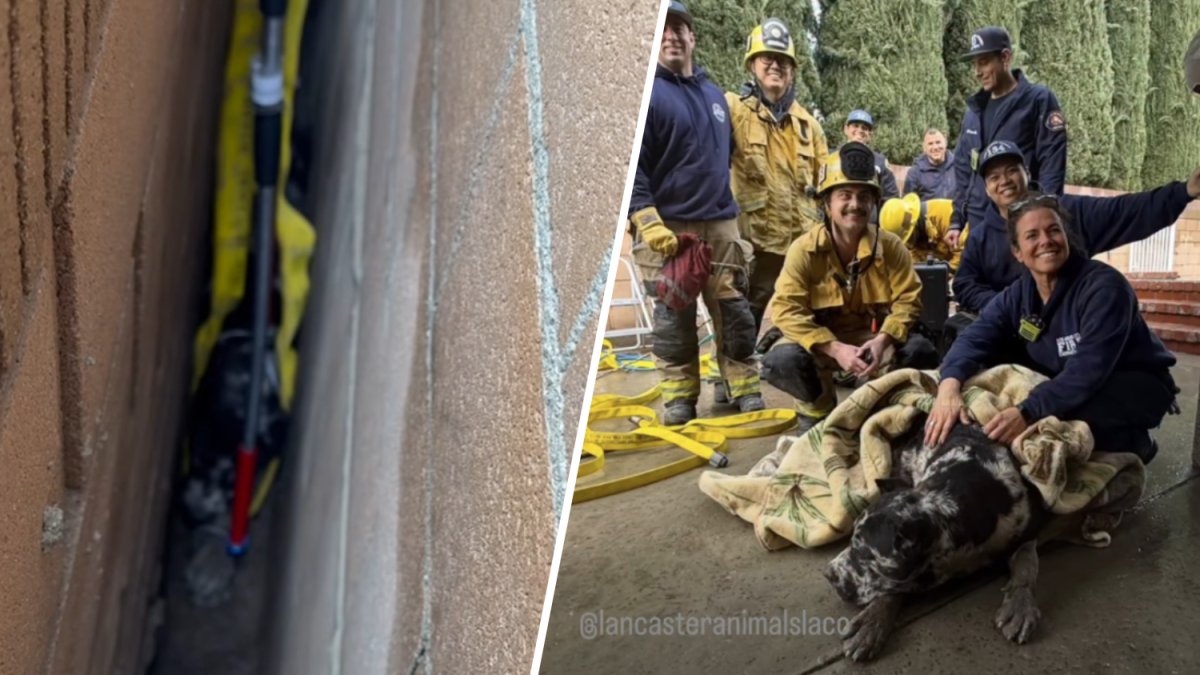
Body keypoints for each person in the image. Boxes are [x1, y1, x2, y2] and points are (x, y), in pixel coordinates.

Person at [926, 195, 1177, 464]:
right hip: (1065, 375)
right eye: (1032, 235)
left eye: (1054, 230)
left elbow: (1088, 370)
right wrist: (948, 387)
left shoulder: (1105, 288)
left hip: (1130, 383)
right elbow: (975, 337)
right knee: (988, 363)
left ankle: (1133, 442)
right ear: (1018, 252)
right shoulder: (1018, 294)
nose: (1046, 241)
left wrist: (1027, 411)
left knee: (1059, 421)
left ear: (1066, 237)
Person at [628, 1, 763, 425]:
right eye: (663, 29)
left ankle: (742, 387)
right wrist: (645, 218)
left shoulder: (715, 96)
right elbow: (632, 167)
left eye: (679, 27)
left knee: (734, 311)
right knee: (675, 315)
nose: (671, 35)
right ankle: (679, 398)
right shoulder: (646, 95)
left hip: (720, 223)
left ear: (692, 37)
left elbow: (737, 160)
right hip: (670, 228)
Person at [761, 142, 937, 432]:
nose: (855, 204)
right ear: (826, 203)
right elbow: (785, 310)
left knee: (920, 350)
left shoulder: (891, 247)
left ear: (873, 204)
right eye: (844, 195)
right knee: (783, 359)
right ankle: (816, 411)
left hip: (871, 342)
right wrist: (834, 348)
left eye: (864, 196)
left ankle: (883, 406)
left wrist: (882, 341)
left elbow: (909, 301)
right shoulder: (803, 250)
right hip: (821, 343)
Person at [952, 140, 1200, 316]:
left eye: (1011, 171)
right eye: (994, 177)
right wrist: (1003, 306)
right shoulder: (980, 237)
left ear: (1026, 173)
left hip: (1073, 334)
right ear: (986, 189)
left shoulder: (1067, 212)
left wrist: (1183, 192)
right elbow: (964, 283)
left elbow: (1124, 210)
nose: (1004, 181)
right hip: (1012, 336)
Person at [726, 18, 829, 341]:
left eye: (783, 60)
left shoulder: (808, 126)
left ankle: (792, 360)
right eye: (767, 58)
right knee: (743, 310)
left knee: (809, 309)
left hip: (801, 241)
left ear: (793, 69)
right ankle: (730, 380)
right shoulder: (733, 112)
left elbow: (826, 186)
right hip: (755, 240)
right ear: (752, 65)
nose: (775, 66)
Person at [947, 26, 1066, 250]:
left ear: (1005, 57)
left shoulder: (1037, 100)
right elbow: (964, 167)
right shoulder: (974, 111)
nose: (977, 71)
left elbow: (1052, 160)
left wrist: (1046, 214)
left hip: (1019, 221)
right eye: (974, 64)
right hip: (979, 223)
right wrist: (957, 220)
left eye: (983, 62)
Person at [879, 193, 965, 271]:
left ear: (915, 224)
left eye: (909, 239)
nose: (909, 244)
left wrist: (946, 273)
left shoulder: (945, 215)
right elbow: (915, 261)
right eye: (906, 241)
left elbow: (962, 254)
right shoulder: (912, 235)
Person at [842, 109, 899, 200]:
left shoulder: (880, 161)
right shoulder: (833, 156)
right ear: (846, 129)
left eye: (864, 128)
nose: (860, 130)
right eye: (855, 126)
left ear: (870, 134)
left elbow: (891, 196)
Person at [903, 128, 956, 200]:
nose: (935, 147)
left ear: (945, 143)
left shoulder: (958, 166)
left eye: (938, 142)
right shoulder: (915, 173)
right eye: (930, 144)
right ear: (924, 148)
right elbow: (908, 205)